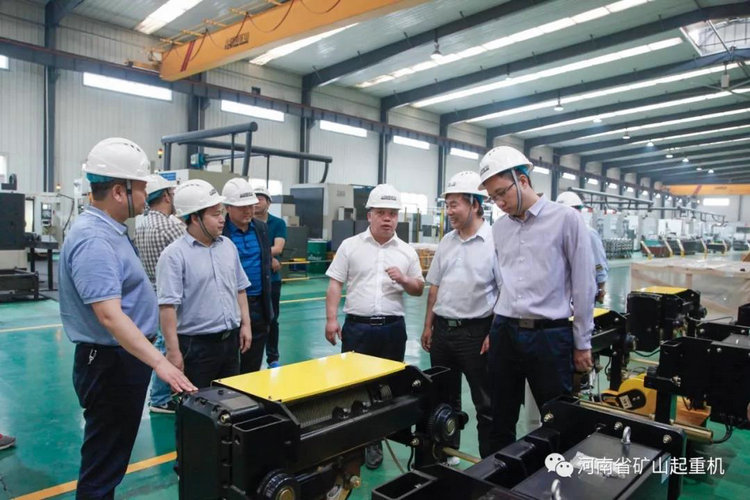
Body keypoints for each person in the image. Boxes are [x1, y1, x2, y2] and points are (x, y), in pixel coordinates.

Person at [59, 137, 196, 499]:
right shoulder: (94, 239)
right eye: (140, 188)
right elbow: (109, 316)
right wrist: (161, 364)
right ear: (119, 192)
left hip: (121, 359)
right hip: (111, 364)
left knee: (111, 457)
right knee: (103, 464)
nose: (146, 196)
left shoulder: (111, 231)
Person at [477, 146, 595, 452]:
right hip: (504, 331)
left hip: (549, 335)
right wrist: (493, 328)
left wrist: (582, 342)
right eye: (493, 198)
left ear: (523, 180)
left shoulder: (566, 219)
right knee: (499, 416)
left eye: (502, 193)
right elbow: (503, 283)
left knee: (556, 416)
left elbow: (584, 284)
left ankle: (556, 475)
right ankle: (498, 474)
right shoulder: (500, 228)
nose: (499, 203)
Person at [325, 183, 425, 469]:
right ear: (369, 215)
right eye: (381, 213)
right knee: (355, 387)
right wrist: (331, 319)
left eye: (392, 214)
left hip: (392, 329)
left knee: (387, 387)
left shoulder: (406, 251)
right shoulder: (351, 246)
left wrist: (404, 280)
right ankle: (354, 441)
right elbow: (335, 284)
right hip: (358, 328)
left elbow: (418, 288)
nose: (387, 219)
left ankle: (376, 440)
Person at [420, 171, 499, 459]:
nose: (449, 211)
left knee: (486, 403)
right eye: (447, 205)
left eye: (455, 204)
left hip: (477, 334)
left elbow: (505, 291)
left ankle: (489, 463)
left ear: (475, 204)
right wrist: (428, 326)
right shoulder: (447, 241)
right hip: (443, 332)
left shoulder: (494, 241)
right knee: (443, 399)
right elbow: (435, 286)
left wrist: (493, 332)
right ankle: (447, 454)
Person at [156, 179, 252, 389]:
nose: (222, 219)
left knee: (230, 400)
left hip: (230, 342)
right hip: (196, 347)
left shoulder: (228, 246)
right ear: (194, 217)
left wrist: (246, 325)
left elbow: (240, 288)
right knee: (198, 404)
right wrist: (173, 352)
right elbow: (167, 307)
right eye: (215, 214)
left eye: (221, 213)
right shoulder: (174, 255)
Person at [134, 174, 185, 414]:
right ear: (166, 196)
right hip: (172, 293)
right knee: (168, 342)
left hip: (151, 290)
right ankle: (160, 397)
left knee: (162, 340)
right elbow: (188, 250)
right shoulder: (171, 225)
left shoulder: (142, 224)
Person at [221, 178, 274, 373]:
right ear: (228, 207)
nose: (248, 211)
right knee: (228, 363)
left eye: (250, 206)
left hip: (258, 303)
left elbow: (265, 262)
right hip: (230, 304)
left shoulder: (261, 228)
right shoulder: (220, 232)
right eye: (242, 207)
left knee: (252, 363)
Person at [253, 185, 287, 368]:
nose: (257, 201)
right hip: (252, 280)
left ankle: (273, 358)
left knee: (272, 319)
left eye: (261, 198)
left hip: (272, 280)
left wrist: (260, 255)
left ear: (268, 203)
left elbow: (278, 248)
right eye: (254, 198)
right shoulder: (247, 223)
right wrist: (268, 257)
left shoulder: (277, 223)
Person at [556, 191, 608, 304]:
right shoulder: (556, 232)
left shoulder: (588, 233)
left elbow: (598, 262)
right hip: (562, 293)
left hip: (583, 292)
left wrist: (601, 287)